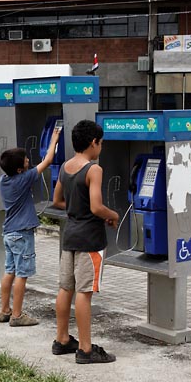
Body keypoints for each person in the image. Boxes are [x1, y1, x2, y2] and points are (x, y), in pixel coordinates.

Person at [50, 119, 119, 363]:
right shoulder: (93, 169)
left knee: (65, 288)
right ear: (93, 142)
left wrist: (76, 207)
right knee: (84, 292)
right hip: (90, 239)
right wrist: (113, 215)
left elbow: (57, 200)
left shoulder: (65, 167)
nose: (101, 147)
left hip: (69, 236)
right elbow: (97, 206)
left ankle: (62, 340)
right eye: (101, 143)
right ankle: (86, 349)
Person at [0, 127, 61, 327]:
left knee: (9, 271)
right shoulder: (23, 179)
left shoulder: (4, 180)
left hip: (8, 232)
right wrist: (54, 140)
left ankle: (4, 310)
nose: (28, 161)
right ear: (19, 169)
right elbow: (48, 160)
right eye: (25, 160)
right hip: (22, 235)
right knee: (22, 275)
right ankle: (17, 315)